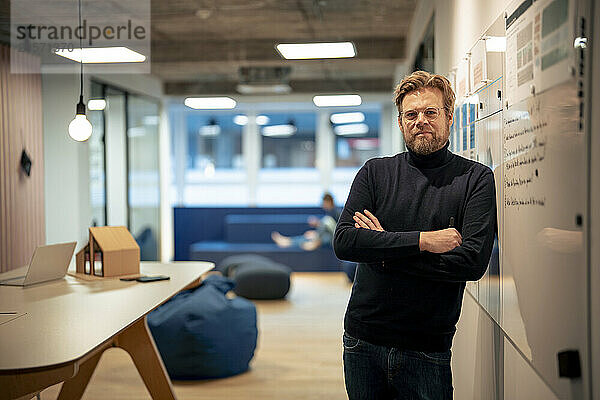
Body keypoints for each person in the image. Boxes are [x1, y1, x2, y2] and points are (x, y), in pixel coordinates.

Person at [333, 70, 497, 399]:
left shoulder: (475, 179)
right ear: (400, 122)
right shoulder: (375, 172)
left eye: (430, 112)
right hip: (363, 341)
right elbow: (346, 242)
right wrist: (423, 241)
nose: (420, 120)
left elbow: (471, 264)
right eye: (411, 114)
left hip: (426, 348)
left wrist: (382, 250)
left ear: (449, 117)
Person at [271, 193, 340, 251]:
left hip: (332, 240)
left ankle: (314, 242)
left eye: (324, 203)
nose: (322, 205)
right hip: (324, 236)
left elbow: (333, 231)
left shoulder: (336, 213)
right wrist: (316, 232)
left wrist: (317, 233)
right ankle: (288, 241)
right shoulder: (331, 212)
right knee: (308, 236)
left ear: (329, 202)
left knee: (324, 225)